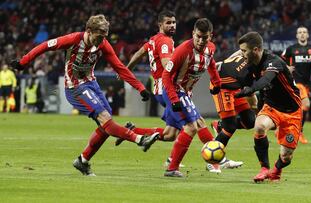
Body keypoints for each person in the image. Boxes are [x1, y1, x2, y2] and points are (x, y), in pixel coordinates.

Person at [10, 14, 159, 176]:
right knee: (105, 119)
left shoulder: (103, 44)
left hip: (91, 84)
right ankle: (139, 139)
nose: (102, 40)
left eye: (105, 36)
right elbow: (45, 46)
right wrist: (23, 62)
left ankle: (83, 160)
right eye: (100, 36)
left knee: (106, 122)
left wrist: (140, 87)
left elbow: (119, 67)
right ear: (89, 31)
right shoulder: (72, 39)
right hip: (75, 87)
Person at [162, 18, 239, 177]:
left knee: (194, 125)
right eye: (198, 36)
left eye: (205, 37)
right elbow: (166, 76)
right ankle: (173, 168)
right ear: (193, 34)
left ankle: (215, 161)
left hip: (185, 92)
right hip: (175, 90)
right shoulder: (183, 50)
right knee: (191, 127)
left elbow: (211, 64)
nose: (201, 40)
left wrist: (216, 81)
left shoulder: (210, 48)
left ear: (211, 36)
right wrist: (174, 99)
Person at [235, 32, 302, 182]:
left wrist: (251, 89)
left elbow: (265, 80)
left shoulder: (274, 62)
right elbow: (242, 80)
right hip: (272, 106)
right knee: (259, 127)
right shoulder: (250, 65)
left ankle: (276, 170)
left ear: (256, 49)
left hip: (292, 111)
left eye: (244, 51)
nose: (242, 54)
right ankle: (264, 168)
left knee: (286, 156)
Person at [115, 10, 178, 144]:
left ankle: (132, 131)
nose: (172, 25)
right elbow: (167, 65)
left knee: (171, 134)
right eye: (168, 23)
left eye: (174, 22)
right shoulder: (165, 41)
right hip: (167, 88)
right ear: (160, 25)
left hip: (158, 88)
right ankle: (174, 162)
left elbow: (139, 53)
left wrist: (127, 69)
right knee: (191, 124)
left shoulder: (153, 40)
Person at [210, 51, 257, 161]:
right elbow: (252, 100)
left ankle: (220, 125)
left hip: (235, 86)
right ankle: (213, 160)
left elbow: (239, 52)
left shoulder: (251, 55)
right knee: (230, 127)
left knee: (250, 121)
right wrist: (259, 111)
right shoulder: (249, 74)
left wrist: (224, 62)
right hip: (222, 87)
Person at [281, 26, 311, 144]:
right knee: (306, 105)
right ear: (297, 35)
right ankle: (299, 132)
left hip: (307, 83)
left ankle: (284, 129)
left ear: (308, 35)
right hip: (295, 82)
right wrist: (286, 67)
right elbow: (280, 60)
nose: (302, 34)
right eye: (300, 32)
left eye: (304, 32)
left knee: (296, 109)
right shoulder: (291, 49)